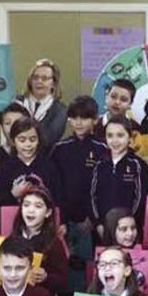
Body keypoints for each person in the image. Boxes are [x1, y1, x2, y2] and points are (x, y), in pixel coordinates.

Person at [0, 118, 63, 233]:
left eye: (32, 139)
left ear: (38, 140)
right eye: (22, 140)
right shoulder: (6, 167)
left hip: (44, 228)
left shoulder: (48, 166)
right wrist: (13, 194)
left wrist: (62, 222)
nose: (28, 145)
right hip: (13, 226)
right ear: (13, 141)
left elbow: (58, 199)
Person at [51, 95, 108, 229]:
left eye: (84, 118)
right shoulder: (59, 148)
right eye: (74, 118)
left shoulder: (103, 148)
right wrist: (61, 219)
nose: (79, 122)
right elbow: (55, 186)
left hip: (93, 219)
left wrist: (94, 218)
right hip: (64, 219)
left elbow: (104, 187)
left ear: (95, 119)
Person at [16, 58, 68, 152]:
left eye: (45, 78)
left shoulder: (60, 110)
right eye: (35, 77)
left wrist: (26, 116)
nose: (39, 81)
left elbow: (47, 140)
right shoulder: (17, 103)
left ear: (54, 83)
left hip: (45, 160)